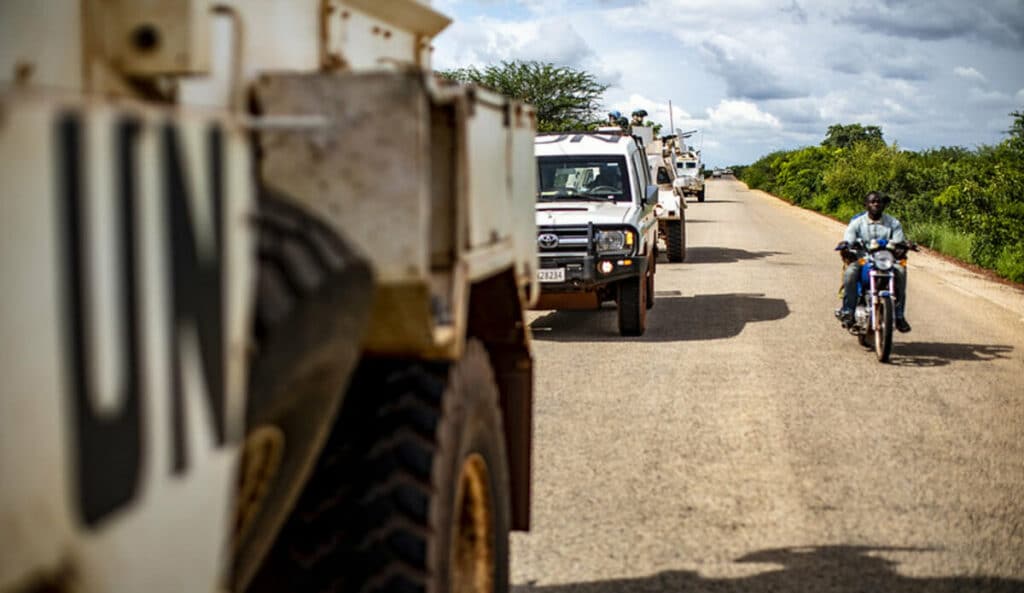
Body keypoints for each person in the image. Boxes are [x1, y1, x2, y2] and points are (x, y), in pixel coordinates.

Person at [836, 191, 912, 332]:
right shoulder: (857, 223)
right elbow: (849, 238)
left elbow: (899, 241)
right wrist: (847, 244)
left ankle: (900, 314)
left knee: (901, 271)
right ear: (866, 205)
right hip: (864, 260)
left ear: (884, 205)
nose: (876, 204)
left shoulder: (893, 223)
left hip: (887, 260)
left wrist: (903, 247)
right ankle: (848, 311)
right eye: (872, 201)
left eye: (879, 202)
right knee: (850, 272)